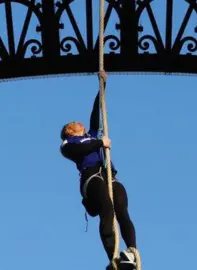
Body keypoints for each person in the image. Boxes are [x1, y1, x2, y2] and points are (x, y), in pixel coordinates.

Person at [59, 72, 138, 269]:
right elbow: (79, 150)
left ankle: (132, 252)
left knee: (121, 208)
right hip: (91, 176)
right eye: (75, 124)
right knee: (106, 208)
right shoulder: (69, 143)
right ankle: (112, 257)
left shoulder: (91, 135)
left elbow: (96, 113)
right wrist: (100, 143)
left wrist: (102, 87)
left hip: (108, 173)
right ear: (70, 130)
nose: (80, 123)